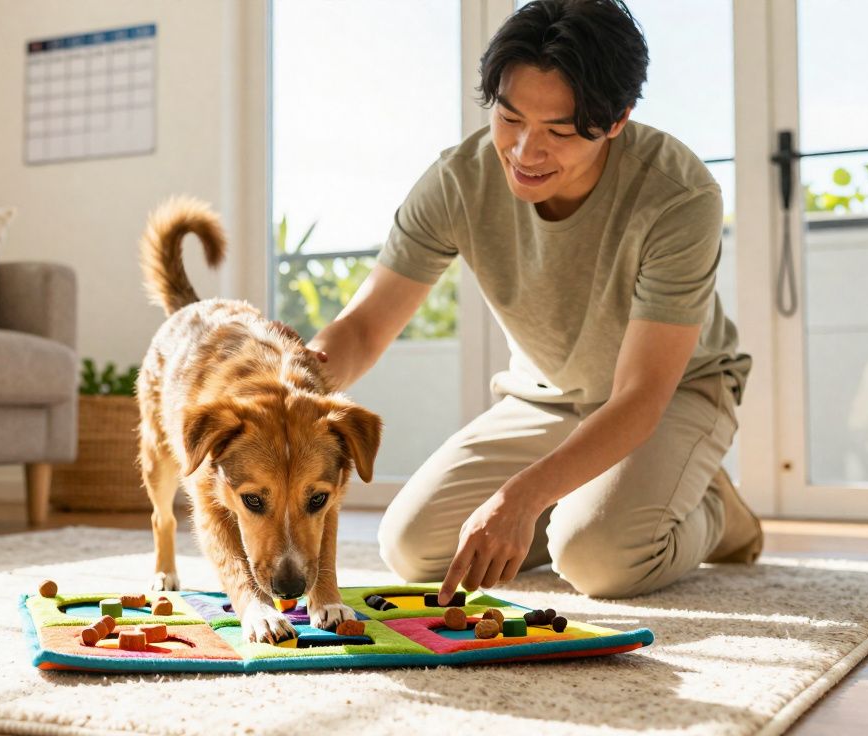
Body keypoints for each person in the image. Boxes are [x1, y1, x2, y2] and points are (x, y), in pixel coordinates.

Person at [306, 0, 759, 601]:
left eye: (559, 132)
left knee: (598, 559)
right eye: (510, 117)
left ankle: (713, 509)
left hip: (673, 395)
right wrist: (286, 388)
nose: (524, 151)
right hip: (547, 397)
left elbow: (640, 394)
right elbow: (363, 328)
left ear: (617, 120)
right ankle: (593, 502)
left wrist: (519, 498)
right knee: (415, 551)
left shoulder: (679, 196)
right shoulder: (457, 181)